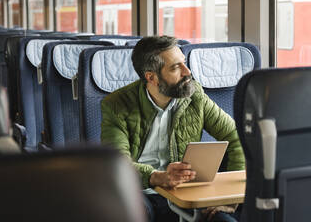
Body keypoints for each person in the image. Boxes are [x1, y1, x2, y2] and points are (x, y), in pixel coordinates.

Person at [101, 36, 244, 222]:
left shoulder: (194, 95)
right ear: (151, 77)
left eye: (184, 63)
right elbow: (117, 164)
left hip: (187, 193)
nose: (188, 72)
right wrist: (156, 177)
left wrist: (230, 199)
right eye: (176, 67)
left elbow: (236, 135)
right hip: (141, 193)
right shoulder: (116, 105)